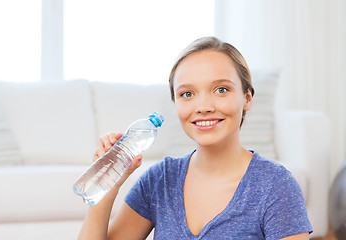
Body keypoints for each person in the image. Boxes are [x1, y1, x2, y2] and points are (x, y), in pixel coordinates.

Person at [78, 37, 313, 239]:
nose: (203, 106)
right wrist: (107, 183)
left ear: (247, 98)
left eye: (221, 89)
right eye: (187, 94)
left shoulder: (275, 186)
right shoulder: (159, 180)